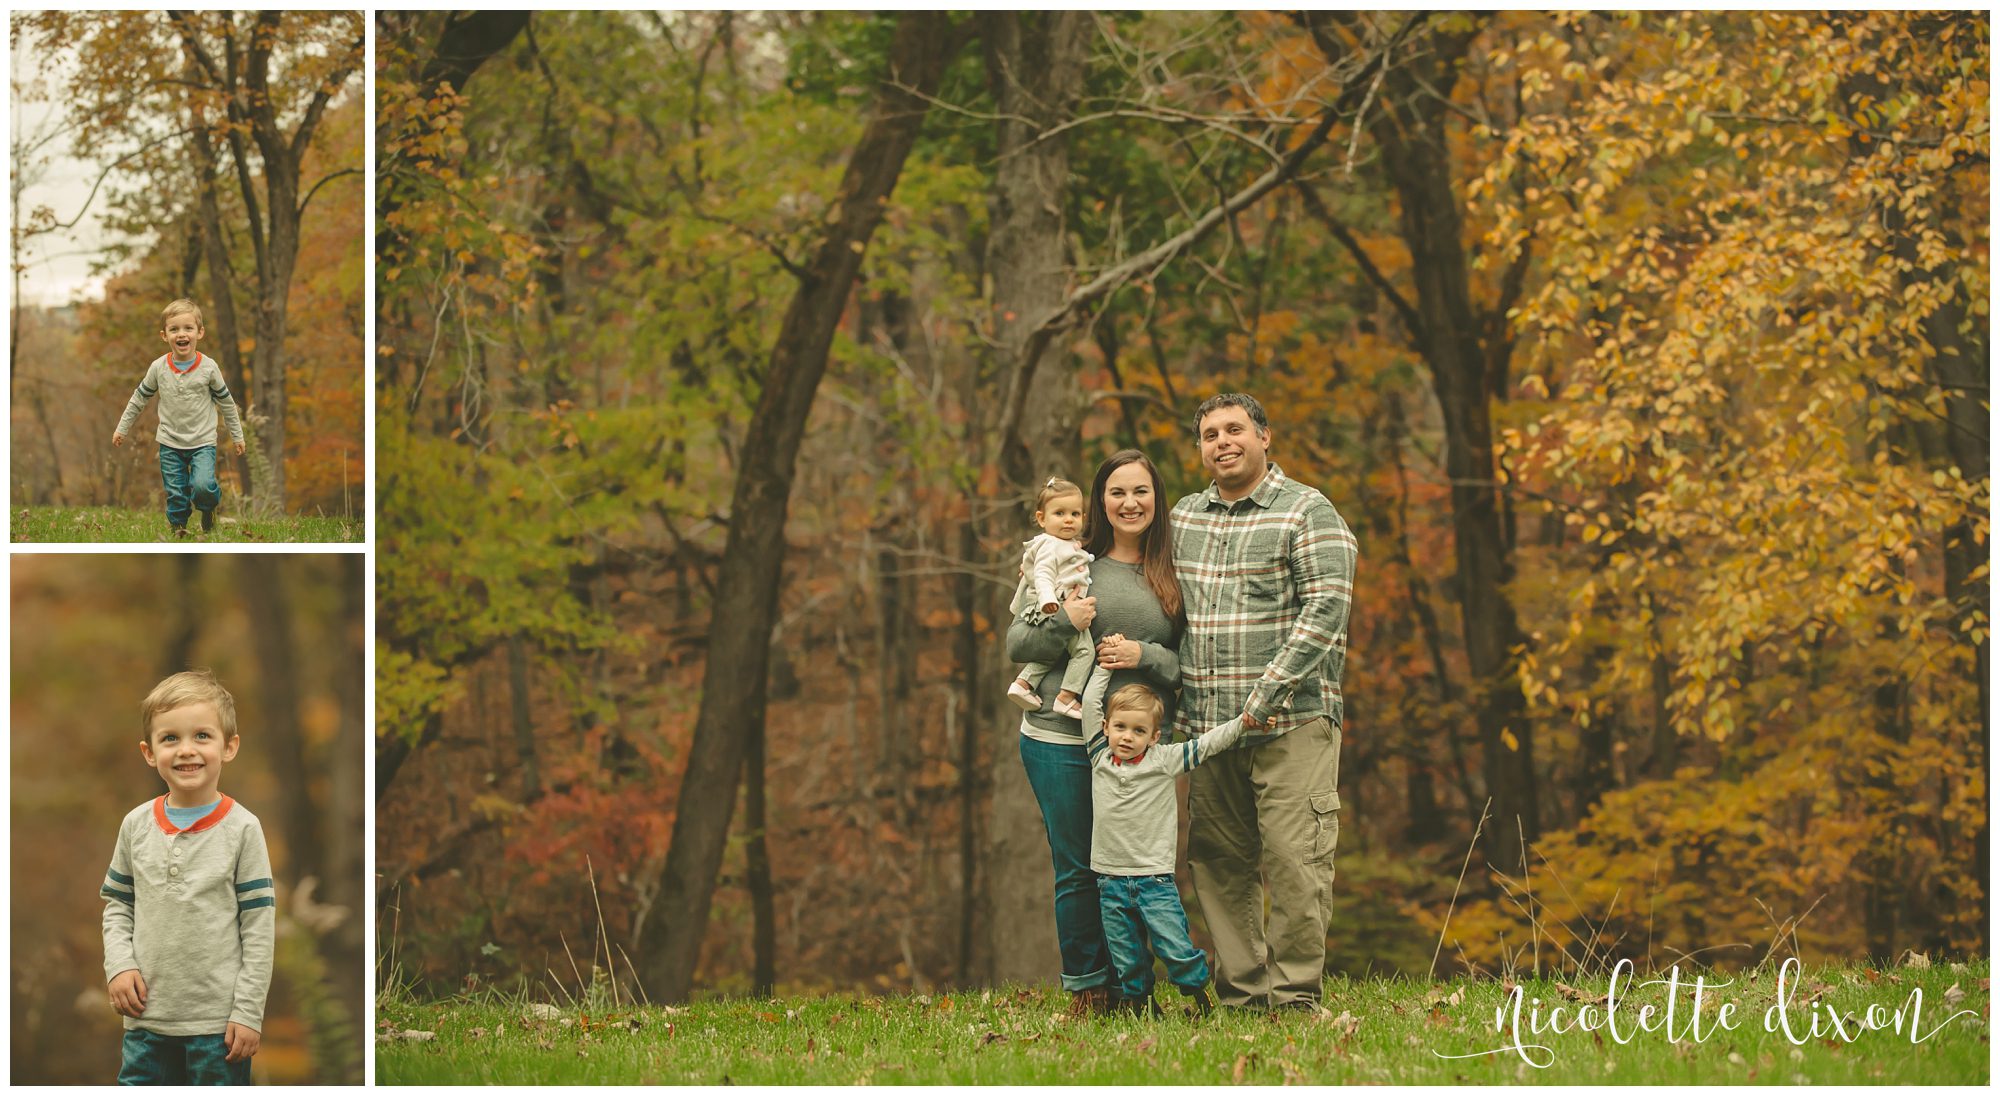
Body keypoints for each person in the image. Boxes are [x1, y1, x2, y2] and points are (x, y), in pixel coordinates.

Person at [1171, 392, 1356, 1013]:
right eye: (1209, 435)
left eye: (1235, 429)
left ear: (1264, 436)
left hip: (1292, 721)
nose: (1222, 442)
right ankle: (1242, 996)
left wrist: (1265, 693)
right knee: (1219, 864)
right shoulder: (1183, 519)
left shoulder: (1307, 511)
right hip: (1209, 727)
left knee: (1297, 861)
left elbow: (1328, 606)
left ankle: (1295, 996)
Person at [1006, 449, 1184, 1017]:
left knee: (1135, 869)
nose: (1129, 503)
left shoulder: (1175, 572)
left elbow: (1187, 666)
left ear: (1157, 498)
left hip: (1134, 749)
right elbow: (1017, 644)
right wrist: (1065, 620)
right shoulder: (1070, 561)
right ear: (1099, 503)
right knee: (1078, 866)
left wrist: (1145, 654)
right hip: (1059, 738)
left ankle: (1135, 989)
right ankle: (1089, 989)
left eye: (1141, 492)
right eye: (1116, 493)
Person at [101, 670, 275, 1085]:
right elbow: (118, 905)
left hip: (218, 1030)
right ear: (148, 752)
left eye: (202, 736)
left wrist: (248, 1012)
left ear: (228, 746)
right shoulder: (135, 825)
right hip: (146, 1024)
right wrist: (119, 966)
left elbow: (259, 927)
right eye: (170, 739)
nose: (186, 750)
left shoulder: (243, 829)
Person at [1086, 683, 1244, 1017]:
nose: (1127, 737)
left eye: (1139, 730)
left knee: (1175, 949)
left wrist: (1246, 722)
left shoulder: (1163, 760)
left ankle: (1202, 997)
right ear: (1105, 727)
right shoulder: (1099, 758)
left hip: (1154, 882)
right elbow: (1089, 702)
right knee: (1127, 958)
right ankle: (1143, 1009)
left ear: (1154, 736)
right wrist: (1103, 663)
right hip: (1109, 881)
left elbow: (1207, 744)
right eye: (1120, 727)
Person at [112, 299, 247, 537]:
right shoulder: (158, 368)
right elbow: (138, 399)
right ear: (164, 335)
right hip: (170, 441)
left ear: (200, 332)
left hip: (203, 442)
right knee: (176, 494)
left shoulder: (208, 368)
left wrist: (237, 435)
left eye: (188, 328)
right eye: (174, 329)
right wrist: (122, 429)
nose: (181, 334)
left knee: (203, 487)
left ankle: (209, 510)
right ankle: (179, 532)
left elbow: (226, 402)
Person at [1006, 477, 1095, 719]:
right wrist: (1048, 600)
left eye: (1075, 514)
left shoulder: (1067, 544)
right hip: (1055, 606)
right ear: (1042, 518)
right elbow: (1044, 574)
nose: (1068, 519)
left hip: (1055, 604)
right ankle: (1066, 697)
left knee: (1052, 650)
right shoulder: (1050, 545)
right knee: (1085, 651)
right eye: (1059, 513)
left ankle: (1023, 685)